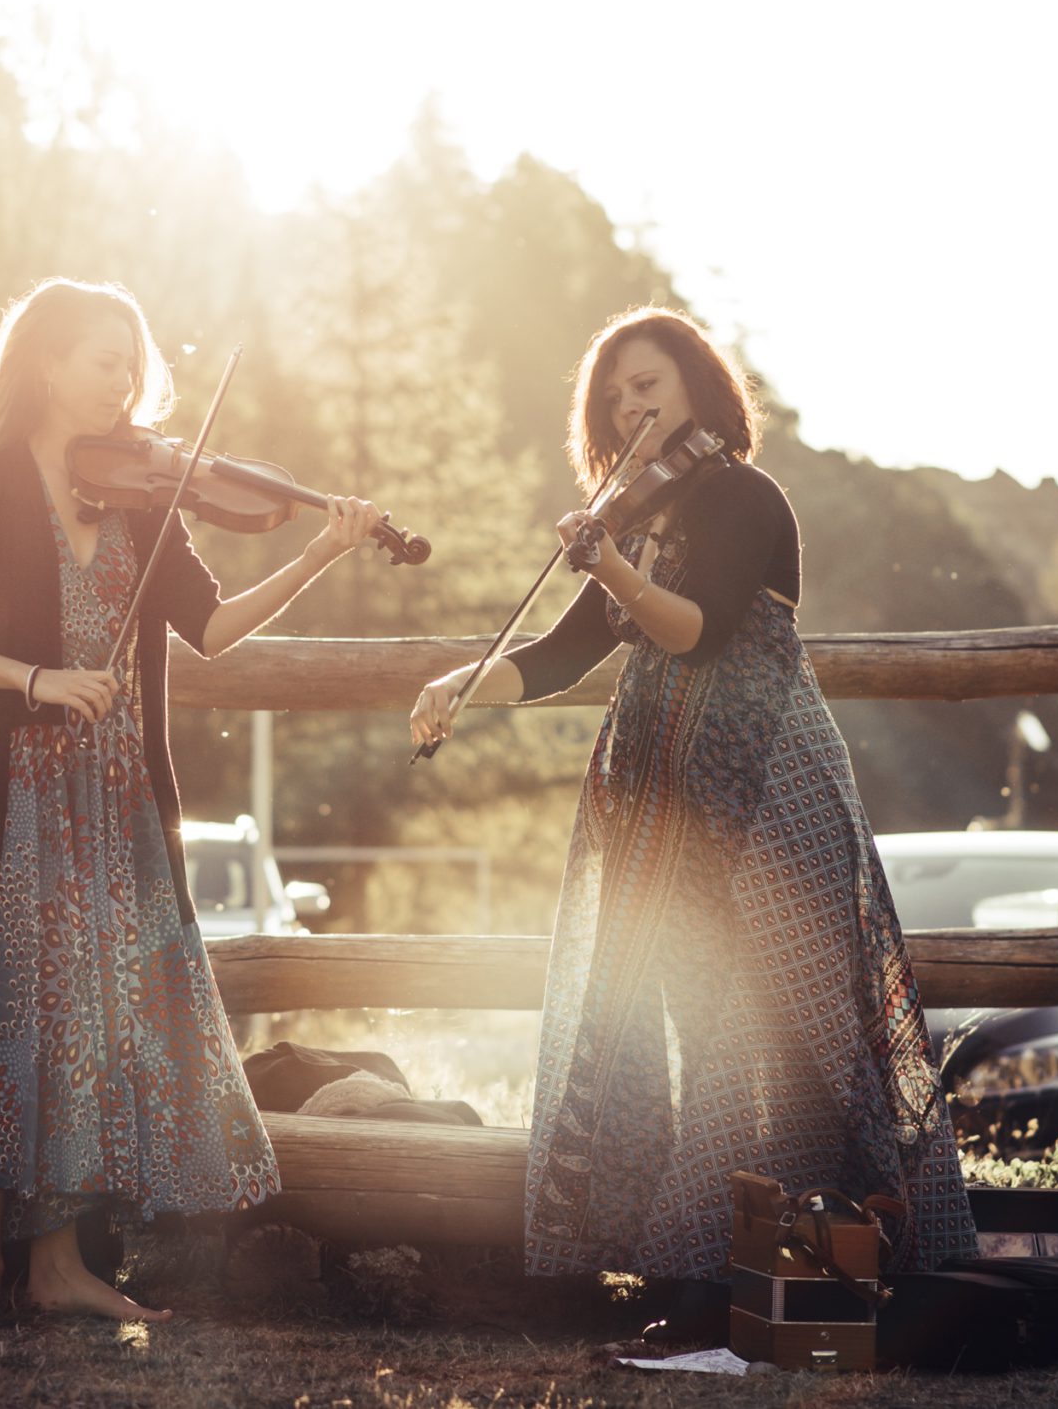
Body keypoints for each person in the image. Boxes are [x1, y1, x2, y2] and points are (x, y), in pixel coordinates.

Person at [0, 278, 381, 1325]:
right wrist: (32, 679)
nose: (123, 380)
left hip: (106, 797)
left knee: (79, 1024)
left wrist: (319, 548)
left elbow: (212, 629)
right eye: (102, 358)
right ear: (43, 362)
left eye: (131, 363)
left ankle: (58, 1265)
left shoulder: (143, 493)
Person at [409, 306, 975, 1313]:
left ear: (696, 383)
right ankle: (694, 1258)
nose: (632, 402)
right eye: (615, 392)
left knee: (786, 1011)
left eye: (648, 381)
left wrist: (611, 561)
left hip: (764, 777)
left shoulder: (744, 496)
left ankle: (815, 1246)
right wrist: (461, 679)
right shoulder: (629, 511)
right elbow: (560, 656)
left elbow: (697, 632)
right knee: (687, 1010)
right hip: (660, 787)